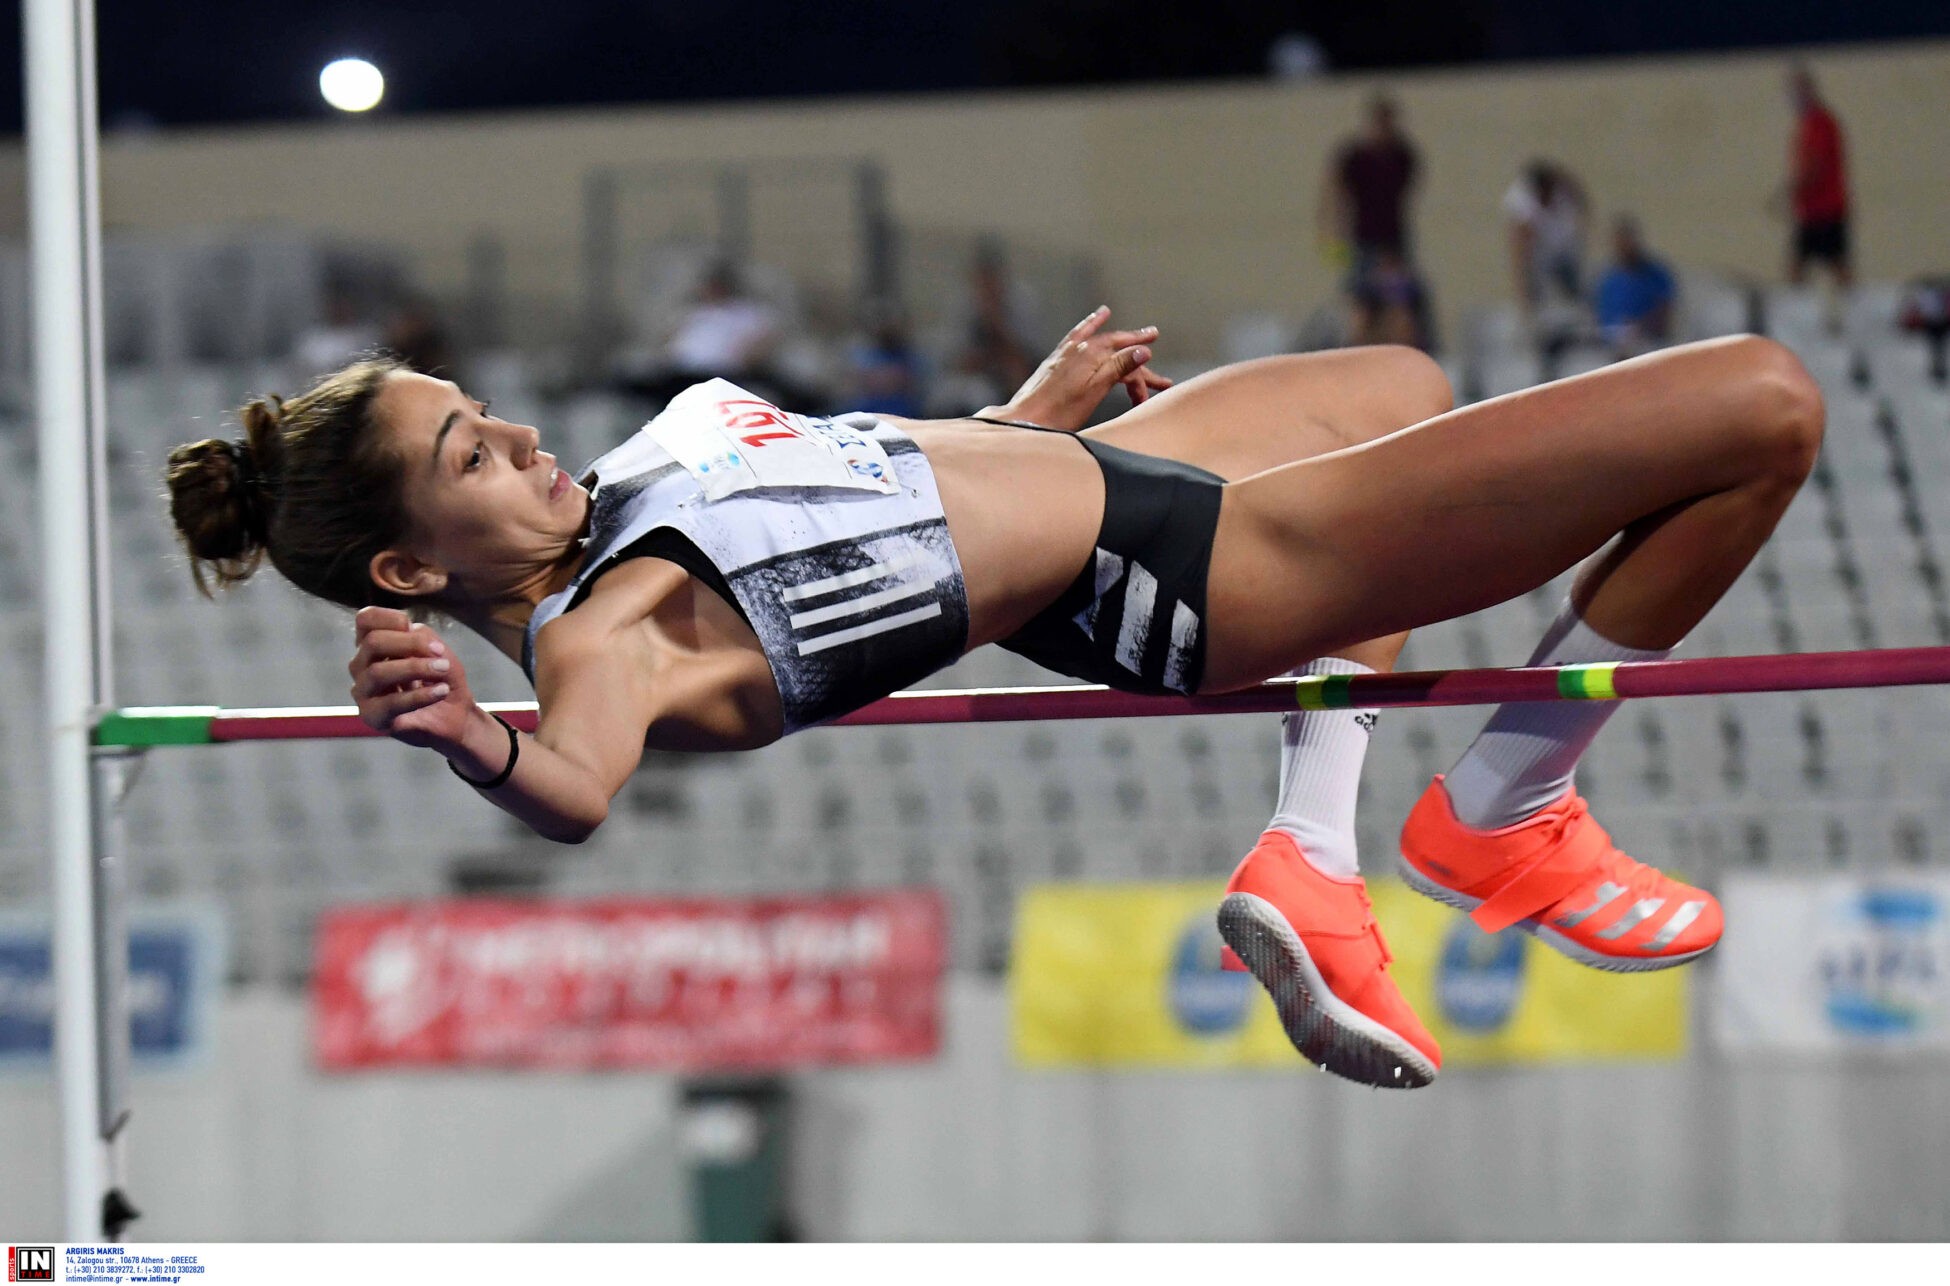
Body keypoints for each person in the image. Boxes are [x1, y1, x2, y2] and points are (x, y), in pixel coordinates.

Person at [165, 307, 1824, 1090]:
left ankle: (1316, 853)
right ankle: (1505, 813)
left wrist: (1024, 419)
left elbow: (865, 504)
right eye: (472, 455)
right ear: (408, 567)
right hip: (1201, 572)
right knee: (1762, 405)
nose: (521, 436)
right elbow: (577, 786)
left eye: (483, 409)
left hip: (1105, 486)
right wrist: (469, 736)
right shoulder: (608, 631)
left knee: (1397, 380)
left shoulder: (616, 503)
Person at [1320, 94, 1420, 283]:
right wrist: (1336, 234)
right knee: (1360, 287)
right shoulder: (1355, 157)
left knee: (1399, 289)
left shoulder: (1402, 155)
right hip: (1363, 235)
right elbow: (1337, 194)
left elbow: (1406, 189)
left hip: (1394, 234)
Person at [1783, 64, 1851, 295]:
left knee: (1832, 264)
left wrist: (1794, 188)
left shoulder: (1820, 123)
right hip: (1812, 210)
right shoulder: (1808, 124)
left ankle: (1852, 305)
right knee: (1802, 264)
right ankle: (1797, 306)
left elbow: (1816, 166)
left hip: (1825, 209)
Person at [1503, 159, 1589, 318]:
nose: (1547, 199)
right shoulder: (1522, 203)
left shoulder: (1562, 188)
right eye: (1544, 196)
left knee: (1574, 287)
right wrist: (1522, 289)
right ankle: (1534, 311)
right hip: (1539, 252)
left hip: (1563, 246)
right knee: (1535, 284)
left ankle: (1580, 307)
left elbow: (1581, 201)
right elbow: (1519, 249)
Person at [1594, 216, 1677, 360]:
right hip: (1611, 342)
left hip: (1646, 340)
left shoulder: (1656, 275)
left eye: (1627, 241)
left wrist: (1640, 327)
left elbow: (1665, 312)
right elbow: (1599, 315)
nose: (1624, 247)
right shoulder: (1608, 278)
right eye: (1620, 242)